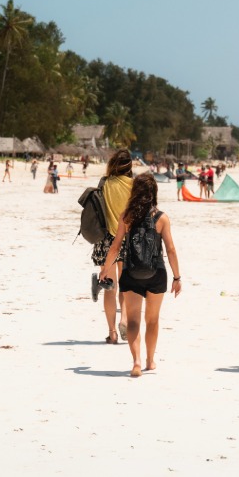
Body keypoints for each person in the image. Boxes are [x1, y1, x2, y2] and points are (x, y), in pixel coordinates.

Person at [99, 173, 181, 377]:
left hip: (131, 272)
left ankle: (136, 362)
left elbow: (115, 246)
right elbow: (170, 249)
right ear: (154, 192)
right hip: (156, 273)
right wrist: (177, 277)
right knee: (152, 320)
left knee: (133, 320)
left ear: (134, 192)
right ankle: (150, 360)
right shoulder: (161, 218)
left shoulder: (126, 216)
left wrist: (105, 269)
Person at [90, 150, 135, 344]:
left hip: (107, 239)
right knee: (126, 285)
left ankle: (112, 333)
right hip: (129, 238)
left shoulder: (104, 183)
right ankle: (124, 319)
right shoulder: (134, 186)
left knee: (110, 287)